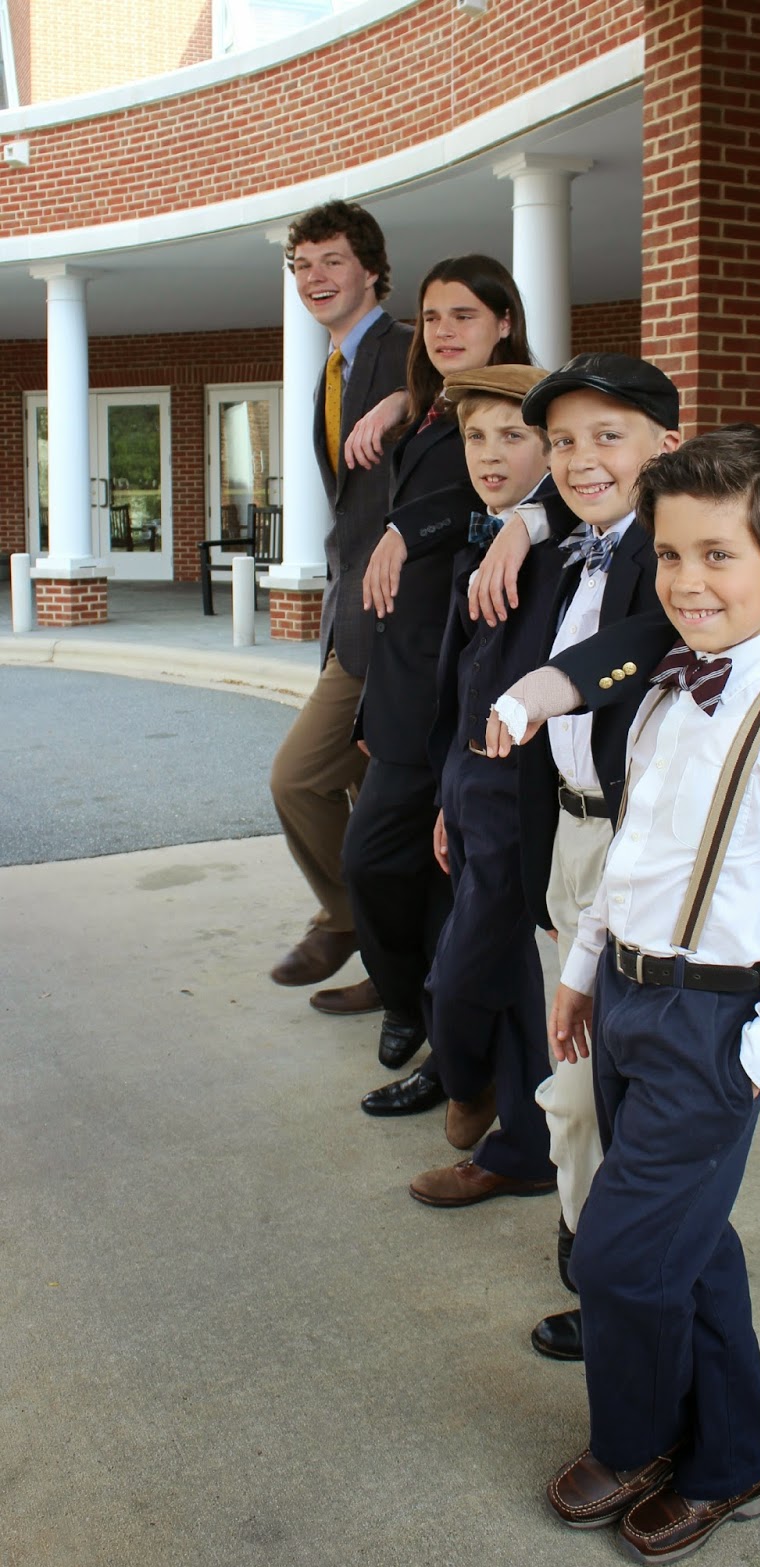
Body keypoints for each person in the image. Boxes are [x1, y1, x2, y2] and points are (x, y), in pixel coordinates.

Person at [541, 426, 760, 1566]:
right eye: (673, 556)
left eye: (719, 555)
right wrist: (584, 973)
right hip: (630, 1000)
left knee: (616, 1257)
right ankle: (734, 1455)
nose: (687, 582)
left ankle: (637, 1440)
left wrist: (759, 1052)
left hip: (716, 1024)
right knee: (691, 1243)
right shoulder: (664, 694)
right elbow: (635, 853)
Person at [485, 353, 680, 1360]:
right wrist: (523, 521)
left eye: (608, 435)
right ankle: (589, 1246)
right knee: (575, 1073)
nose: (579, 458)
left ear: (666, 445)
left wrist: (547, 687)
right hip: (566, 832)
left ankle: (610, 1272)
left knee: (597, 1081)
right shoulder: (572, 549)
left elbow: (651, 634)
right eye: (561, 442)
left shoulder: (677, 554)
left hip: (633, 846)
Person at [341, 258, 563, 1099]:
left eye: (463, 314)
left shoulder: (541, 413)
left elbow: (572, 485)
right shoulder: (434, 410)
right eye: (431, 315)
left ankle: (459, 1062)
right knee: (418, 884)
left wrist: (517, 522)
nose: (442, 330)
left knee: (463, 911)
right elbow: (469, 499)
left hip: (502, 726)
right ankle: (434, 1028)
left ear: (505, 321)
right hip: (425, 690)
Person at [406, 364, 564, 1207]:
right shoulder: (482, 539)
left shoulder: (563, 543)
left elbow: (610, 502)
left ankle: (469, 1084)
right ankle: (526, 1150)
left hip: (521, 795)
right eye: (475, 436)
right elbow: (462, 682)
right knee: (506, 979)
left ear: (551, 449)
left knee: (461, 978)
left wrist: (535, 520)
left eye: (514, 436)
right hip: (468, 783)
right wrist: (446, 795)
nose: (490, 454)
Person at [267, 200, 410, 1011]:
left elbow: (493, 387)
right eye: (302, 265)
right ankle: (392, 975)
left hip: (397, 622)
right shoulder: (334, 365)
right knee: (368, 806)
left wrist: (405, 400)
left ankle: (346, 917)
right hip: (348, 615)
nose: (314, 278)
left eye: (332, 261)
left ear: (371, 269)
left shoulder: (406, 352)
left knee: (298, 779)